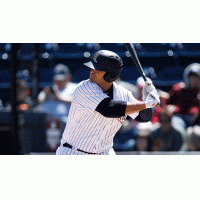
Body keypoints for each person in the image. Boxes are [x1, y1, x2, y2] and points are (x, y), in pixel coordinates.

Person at [56, 50, 160, 155]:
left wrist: (146, 98)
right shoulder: (84, 88)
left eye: (97, 69)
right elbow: (108, 109)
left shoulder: (123, 94)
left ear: (110, 75)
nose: (92, 71)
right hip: (73, 151)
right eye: (92, 67)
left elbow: (143, 117)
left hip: (104, 152)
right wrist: (147, 103)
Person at [167, 63, 200, 127]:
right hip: (178, 118)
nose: (194, 80)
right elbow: (169, 103)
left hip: (196, 122)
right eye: (192, 77)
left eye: (197, 78)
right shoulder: (178, 89)